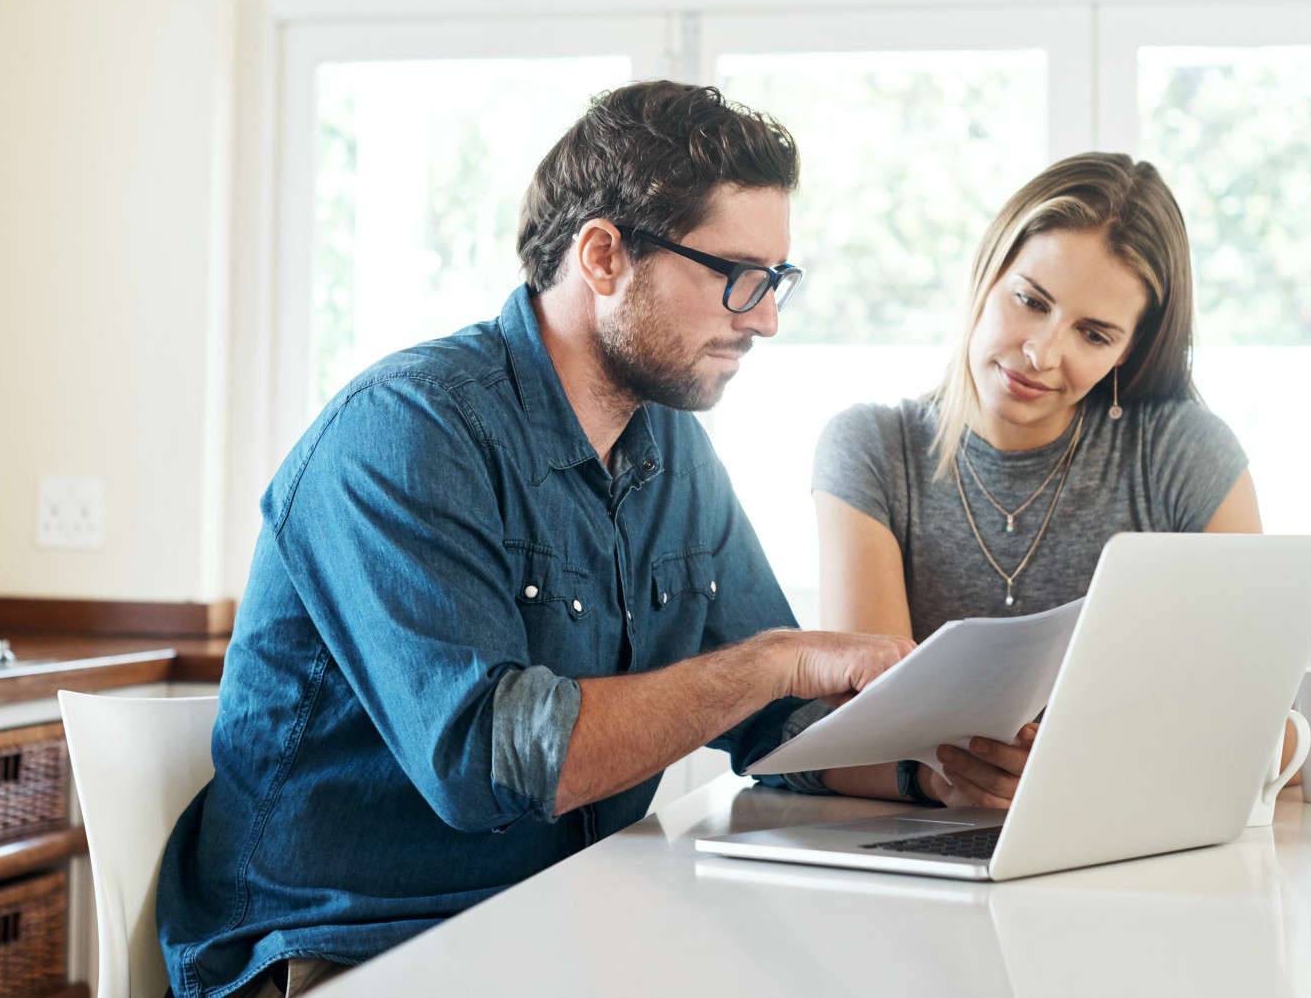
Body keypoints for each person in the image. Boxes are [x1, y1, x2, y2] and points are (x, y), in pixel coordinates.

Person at [155, 80, 910, 998]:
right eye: (738, 277)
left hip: (557, 926)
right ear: (603, 256)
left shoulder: (673, 449)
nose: (765, 319)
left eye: (776, 279)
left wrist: (932, 770)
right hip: (344, 946)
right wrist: (776, 660)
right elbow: (490, 762)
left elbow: (773, 720)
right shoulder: (405, 430)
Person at [805, 152, 1268, 810]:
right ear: (986, 271)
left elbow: (1261, 720)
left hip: (1125, 843)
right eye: (1030, 300)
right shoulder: (872, 450)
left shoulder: (1182, 453)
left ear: (1129, 351)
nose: (1042, 354)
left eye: (1095, 333)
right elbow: (872, 729)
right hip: (928, 853)